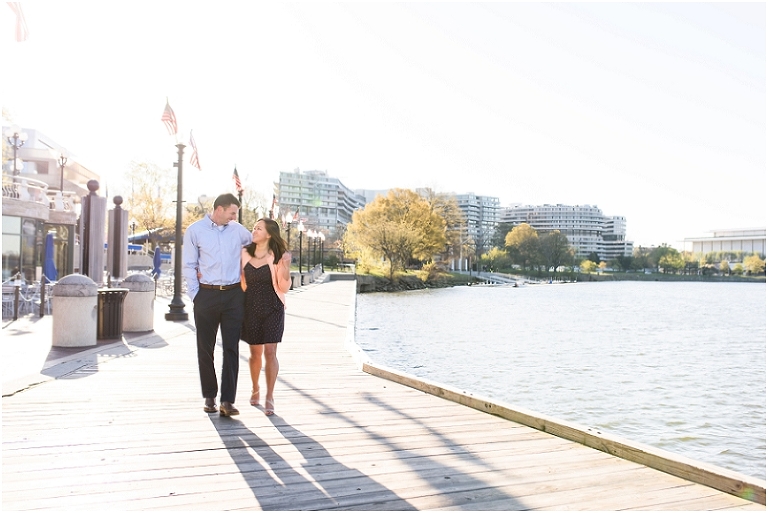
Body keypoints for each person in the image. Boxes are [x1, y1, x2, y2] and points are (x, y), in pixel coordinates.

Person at [183, 193, 252, 417]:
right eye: (232, 212)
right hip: (206, 295)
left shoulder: (239, 231)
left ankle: (227, 401)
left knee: (232, 348)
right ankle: (210, 397)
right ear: (219, 209)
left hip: (233, 296)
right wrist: (195, 294)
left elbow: (257, 248)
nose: (234, 217)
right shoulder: (195, 231)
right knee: (206, 348)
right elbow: (189, 265)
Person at [240, 218, 292, 416]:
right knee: (255, 354)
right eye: (254, 228)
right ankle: (255, 388)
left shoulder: (278, 255)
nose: (254, 231)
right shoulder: (244, 253)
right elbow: (240, 281)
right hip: (250, 308)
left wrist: (285, 267)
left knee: (270, 351)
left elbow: (284, 287)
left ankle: (270, 396)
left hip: (273, 307)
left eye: (258, 228)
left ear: (269, 234)